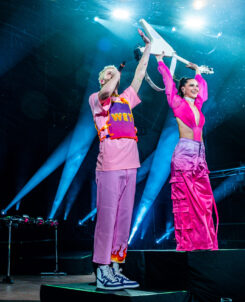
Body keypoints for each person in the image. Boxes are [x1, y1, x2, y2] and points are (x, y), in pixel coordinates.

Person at [89, 29, 151, 290]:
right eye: (107, 74)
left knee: (124, 218)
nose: (112, 75)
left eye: (113, 72)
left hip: (131, 166)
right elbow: (107, 91)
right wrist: (113, 75)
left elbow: (138, 76)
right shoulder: (97, 100)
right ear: (102, 80)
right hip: (110, 167)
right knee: (107, 218)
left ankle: (116, 267)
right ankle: (102, 269)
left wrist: (148, 48)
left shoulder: (125, 100)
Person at [155, 52, 218, 252]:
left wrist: (198, 72)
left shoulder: (198, 105)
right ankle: (187, 243)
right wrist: (160, 61)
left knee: (204, 201)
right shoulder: (177, 102)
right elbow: (167, 82)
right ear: (183, 89)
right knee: (187, 201)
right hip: (184, 154)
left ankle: (205, 242)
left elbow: (203, 92)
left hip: (200, 155)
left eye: (196, 86)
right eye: (191, 86)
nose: (196, 88)